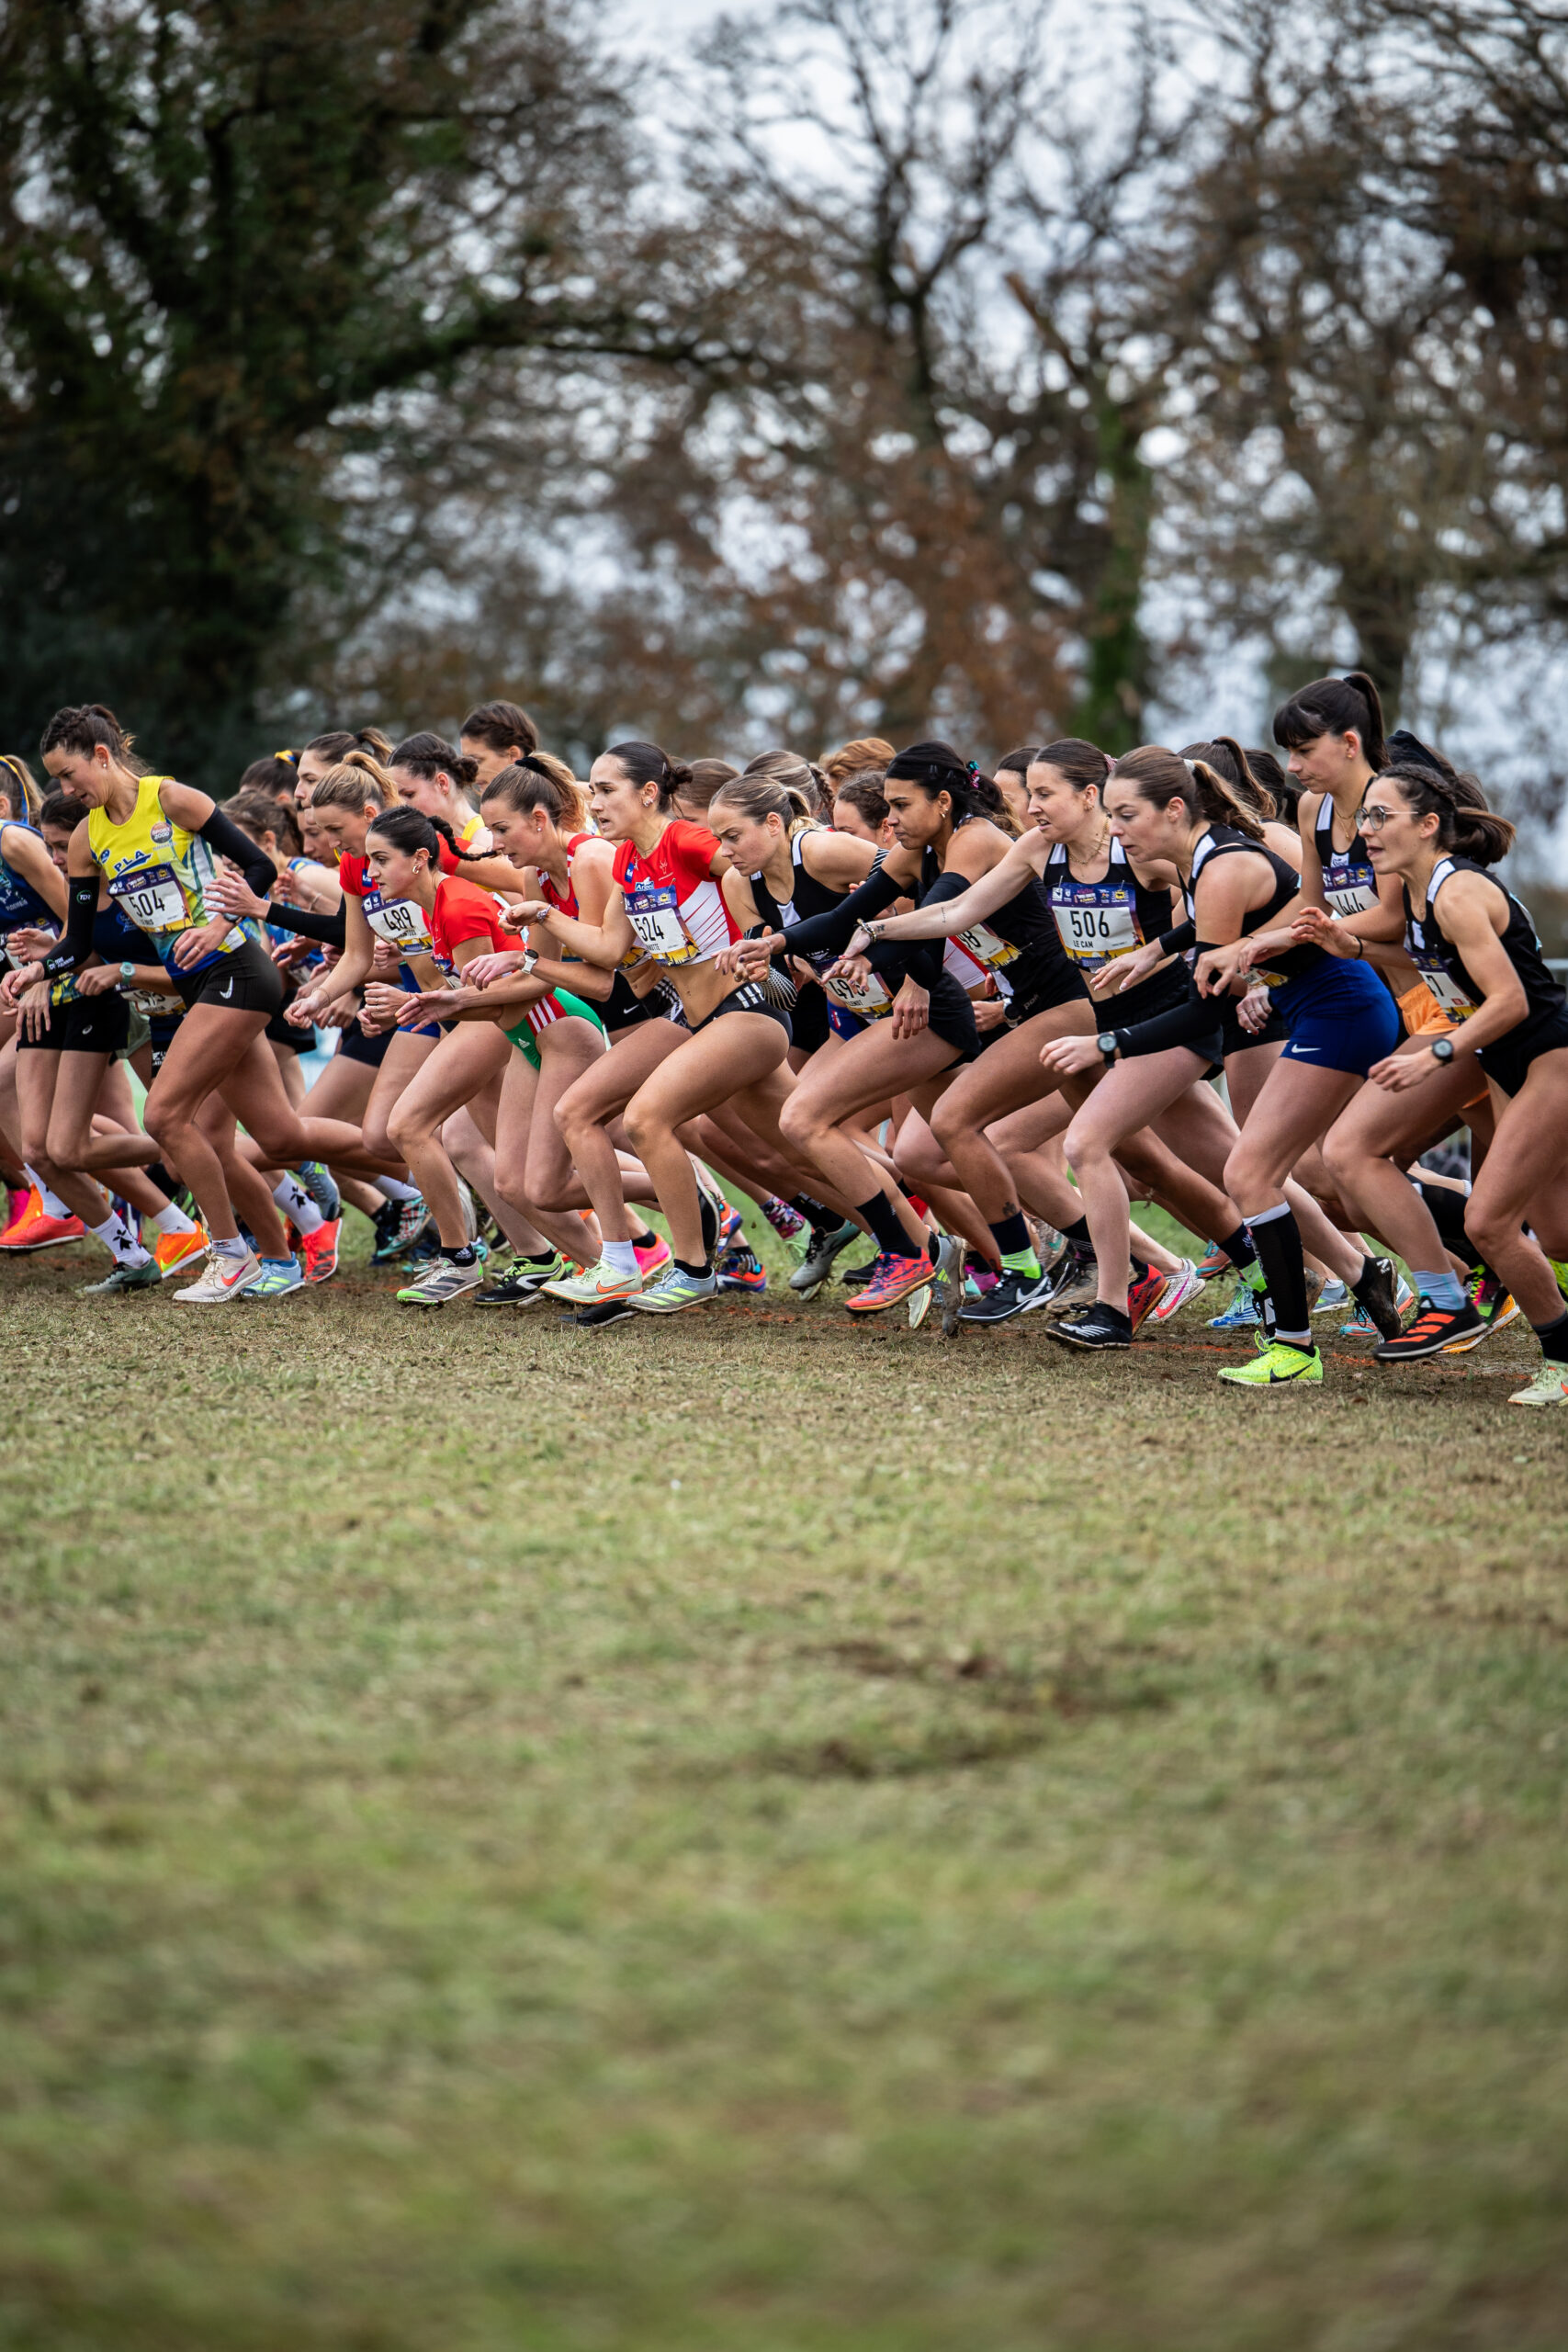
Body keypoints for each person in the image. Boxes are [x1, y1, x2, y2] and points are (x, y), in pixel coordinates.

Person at [21, 704, 387, 1303]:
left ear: (102, 756)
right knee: (276, 1136)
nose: (65, 789)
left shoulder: (172, 800)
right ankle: (398, 1183)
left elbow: (258, 867)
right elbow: (78, 942)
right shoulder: (87, 838)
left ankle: (230, 1254)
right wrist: (39, 969)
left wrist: (218, 927)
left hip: (238, 969)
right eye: (56, 779)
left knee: (164, 1117)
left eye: (68, 774)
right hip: (196, 988)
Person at [518, 740, 796, 1315]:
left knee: (794, 1142)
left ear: (649, 793)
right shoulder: (625, 859)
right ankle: (621, 1264)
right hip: (689, 1017)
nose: (594, 803)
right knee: (578, 1112)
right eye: (592, 791)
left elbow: (748, 867)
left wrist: (760, 934)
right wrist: (540, 926)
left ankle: (911, 1236)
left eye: (606, 790)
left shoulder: (686, 840)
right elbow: (607, 951)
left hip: (744, 1007)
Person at [1320, 762, 1568, 1400]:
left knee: (1489, 1222)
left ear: (1428, 824)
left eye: (1381, 816)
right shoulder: (1417, 893)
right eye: (1364, 816)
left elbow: (1510, 1000)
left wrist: (1434, 1054)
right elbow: (1425, 958)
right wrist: (1349, 946)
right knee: (1558, 1233)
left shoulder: (1455, 892)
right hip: (1504, 1060)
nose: (1366, 829)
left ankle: (1561, 1362)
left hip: (1548, 1057)